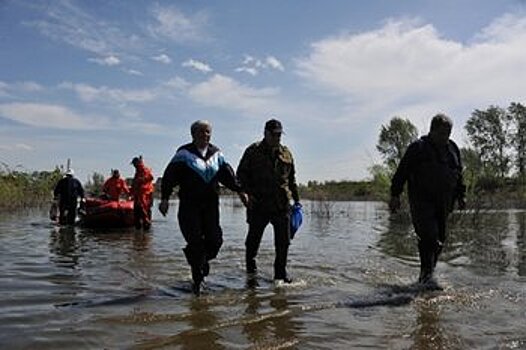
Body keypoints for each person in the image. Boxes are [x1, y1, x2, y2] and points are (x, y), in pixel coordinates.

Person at [159, 120, 248, 295]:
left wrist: (241, 191)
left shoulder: (216, 154)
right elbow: (170, 176)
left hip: (210, 205)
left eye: (208, 132)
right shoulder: (184, 153)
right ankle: (197, 285)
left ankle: (201, 261)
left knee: (216, 241)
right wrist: (164, 198)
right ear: (193, 134)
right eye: (201, 132)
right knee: (195, 243)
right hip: (189, 206)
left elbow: (228, 175)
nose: (205, 135)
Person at [389, 113, 466, 285]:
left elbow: (459, 174)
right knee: (429, 236)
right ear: (432, 130)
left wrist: (461, 196)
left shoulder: (452, 149)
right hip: (422, 202)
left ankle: (427, 275)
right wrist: (395, 195)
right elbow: (402, 172)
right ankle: (426, 278)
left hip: (445, 202)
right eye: (442, 133)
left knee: (440, 240)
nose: (445, 137)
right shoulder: (418, 148)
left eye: (448, 133)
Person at [237, 118, 300, 283]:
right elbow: (241, 175)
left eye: (279, 135)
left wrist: (297, 202)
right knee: (252, 242)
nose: (277, 138)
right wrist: (245, 193)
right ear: (265, 133)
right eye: (274, 134)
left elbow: (292, 180)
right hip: (259, 205)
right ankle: (251, 274)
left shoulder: (286, 153)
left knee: (283, 243)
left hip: (281, 205)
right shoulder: (253, 151)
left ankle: (280, 276)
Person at [131, 156, 155, 230]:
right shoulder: (137, 171)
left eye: (134, 164)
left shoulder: (144, 170)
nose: (134, 166)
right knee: (137, 214)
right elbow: (135, 184)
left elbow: (151, 177)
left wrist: (141, 180)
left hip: (145, 195)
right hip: (139, 195)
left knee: (144, 212)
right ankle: (138, 236)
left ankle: (146, 231)